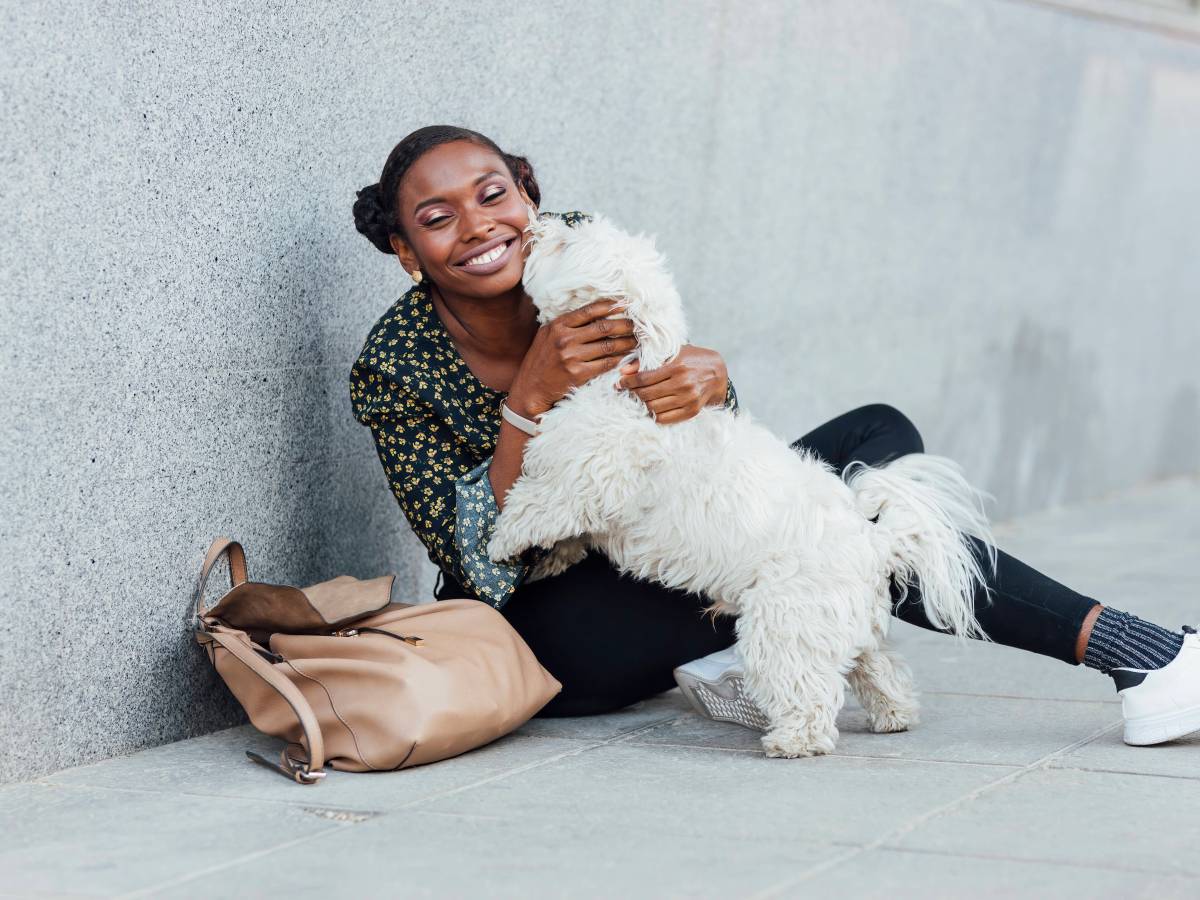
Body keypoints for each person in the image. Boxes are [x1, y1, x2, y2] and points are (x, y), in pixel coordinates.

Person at [349, 125, 1199, 748]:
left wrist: (710, 386)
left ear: (527, 193)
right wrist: (528, 402)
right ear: (405, 249)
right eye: (437, 217)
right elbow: (475, 558)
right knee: (837, 538)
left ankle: (766, 638)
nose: (479, 226)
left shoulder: (577, 259)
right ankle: (1136, 652)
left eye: (493, 193)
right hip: (561, 630)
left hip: (672, 544)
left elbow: (704, 451)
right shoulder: (393, 364)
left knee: (873, 442)